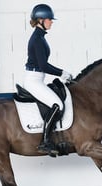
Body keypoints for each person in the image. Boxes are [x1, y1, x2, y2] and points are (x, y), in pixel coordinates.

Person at [24, 4, 72, 156]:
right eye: (49, 19)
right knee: (57, 104)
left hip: (38, 78)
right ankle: (45, 142)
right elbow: (43, 66)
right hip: (33, 80)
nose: (51, 22)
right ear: (40, 20)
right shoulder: (37, 39)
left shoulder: (40, 37)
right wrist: (61, 72)